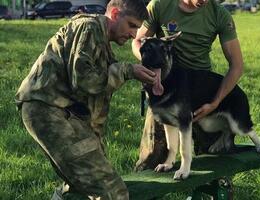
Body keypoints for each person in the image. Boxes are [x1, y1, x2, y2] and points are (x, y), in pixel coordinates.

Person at [15, 0, 156, 199]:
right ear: (115, 14)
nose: (134, 34)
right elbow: (84, 82)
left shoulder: (101, 42)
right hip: (46, 109)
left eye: (137, 28)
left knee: (82, 189)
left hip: (63, 112)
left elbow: (95, 102)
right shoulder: (88, 28)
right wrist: (127, 70)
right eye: (132, 25)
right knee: (112, 191)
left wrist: (97, 147)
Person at [132, 0, 244, 170]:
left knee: (218, 158)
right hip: (164, 91)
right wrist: (153, 65)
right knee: (151, 161)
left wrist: (215, 102)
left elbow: (236, 66)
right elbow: (138, 41)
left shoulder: (219, 14)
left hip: (201, 93)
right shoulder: (160, 5)